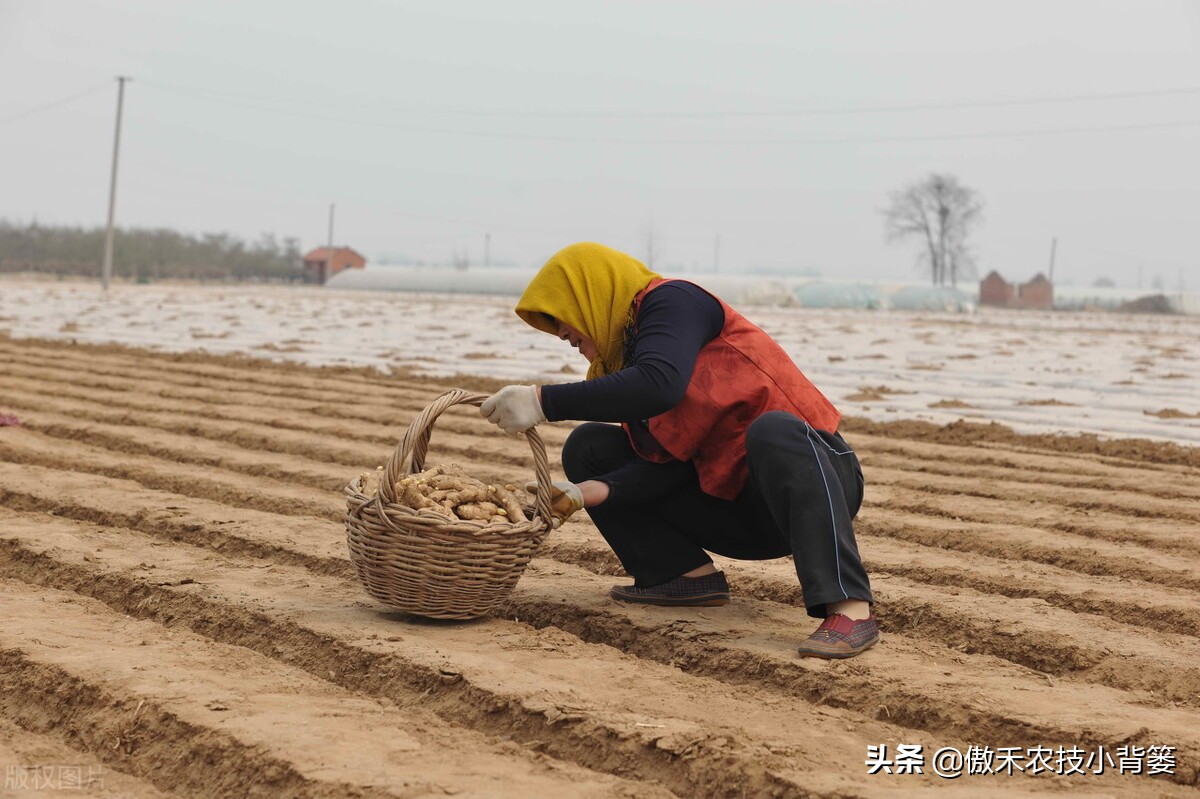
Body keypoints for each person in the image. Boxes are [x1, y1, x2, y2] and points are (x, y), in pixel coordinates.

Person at [479, 242, 877, 659]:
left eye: (560, 316)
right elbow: (668, 465)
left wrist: (543, 401)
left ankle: (851, 608)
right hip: (739, 513)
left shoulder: (674, 301)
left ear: (589, 292)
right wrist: (585, 492)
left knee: (773, 429)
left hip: (816, 482)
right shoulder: (625, 361)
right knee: (588, 446)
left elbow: (659, 384)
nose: (560, 332)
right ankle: (683, 575)